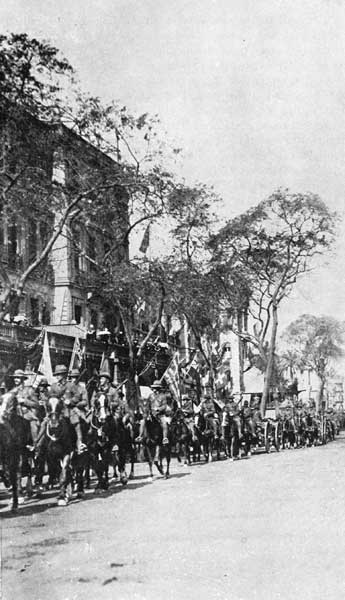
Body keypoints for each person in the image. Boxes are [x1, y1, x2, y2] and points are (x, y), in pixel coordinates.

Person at [136, 380, 170, 445]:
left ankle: (165, 438)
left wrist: (158, 409)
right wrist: (147, 412)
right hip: (151, 414)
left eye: (156, 388)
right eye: (153, 388)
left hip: (160, 415)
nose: (154, 390)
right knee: (143, 421)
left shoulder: (163, 396)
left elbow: (164, 406)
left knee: (164, 423)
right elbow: (148, 405)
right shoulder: (150, 396)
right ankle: (140, 436)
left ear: (159, 389)